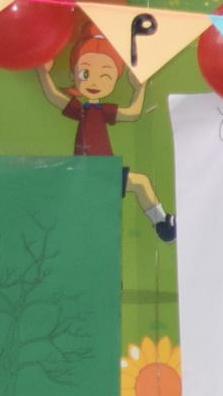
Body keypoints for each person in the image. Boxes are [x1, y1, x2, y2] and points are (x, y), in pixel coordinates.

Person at [34, 35, 178, 243]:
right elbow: (54, 96)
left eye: (105, 76)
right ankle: (160, 223)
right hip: (88, 172)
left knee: (140, 183)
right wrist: (43, 72)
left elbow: (132, 113)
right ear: (74, 74)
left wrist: (140, 87)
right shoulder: (81, 110)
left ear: (115, 79)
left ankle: (162, 223)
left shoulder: (101, 111)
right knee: (136, 186)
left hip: (104, 171)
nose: (94, 82)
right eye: (85, 73)